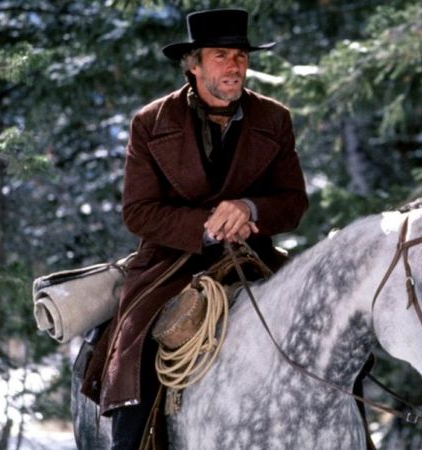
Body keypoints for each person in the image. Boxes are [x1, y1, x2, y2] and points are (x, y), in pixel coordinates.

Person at [81, 8, 308, 449]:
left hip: (253, 255)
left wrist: (249, 209)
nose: (234, 66)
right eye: (221, 55)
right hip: (171, 263)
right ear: (194, 65)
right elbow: (138, 212)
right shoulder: (151, 122)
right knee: (138, 350)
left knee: (326, 325)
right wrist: (208, 226)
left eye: (241, 56)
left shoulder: (274, 118)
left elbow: (293, 202)